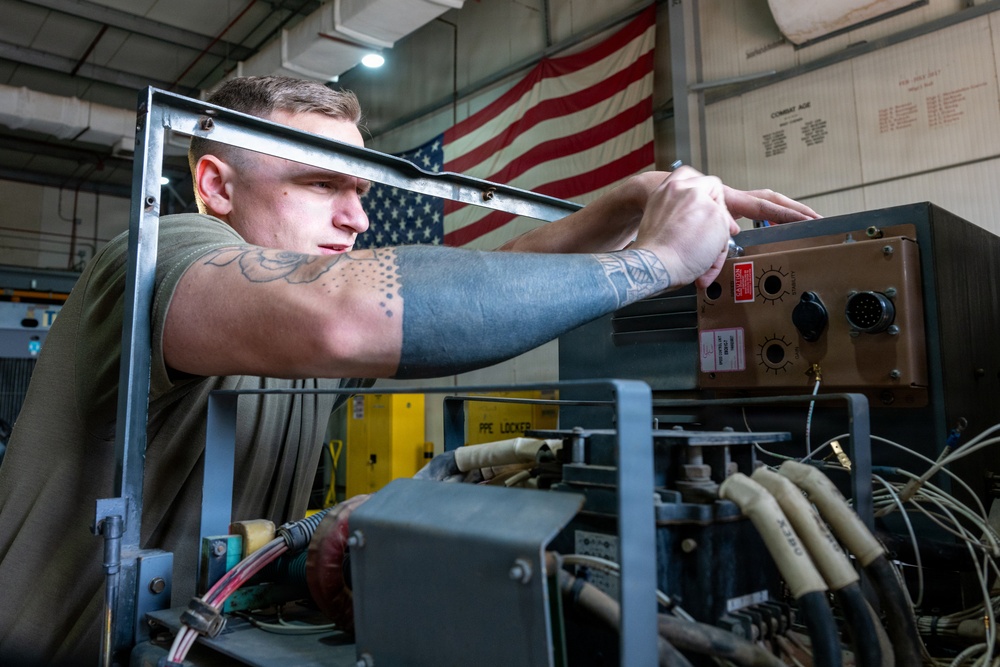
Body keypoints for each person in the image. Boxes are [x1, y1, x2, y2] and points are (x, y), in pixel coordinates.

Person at [0, 76, 819, 665]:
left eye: (360, 188)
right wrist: (656, 262)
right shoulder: (161, 253)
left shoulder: (295, 323)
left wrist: (621, 205)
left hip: (201, 636)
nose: (356, 216)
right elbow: (347, 310)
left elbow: (480, 282)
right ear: (215, 185)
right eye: (322, 182)